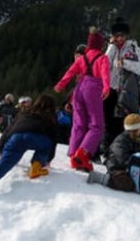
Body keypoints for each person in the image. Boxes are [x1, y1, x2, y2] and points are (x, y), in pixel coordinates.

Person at [0, 94, 59, 198]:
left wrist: (0, 148)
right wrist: (48, 159)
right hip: (37, 139)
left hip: (16, 138)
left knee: (2, 166)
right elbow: (53, 140)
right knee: (46, 144)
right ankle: (37, 166)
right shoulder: (50, 118)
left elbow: (8, 130)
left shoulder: (24, 113)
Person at [54, 26, 110, 172]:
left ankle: (73, 153)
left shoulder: (82, 57)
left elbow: (71, 71)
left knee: (79, 123)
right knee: (96, 125)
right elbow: (105, 74)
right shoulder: (102, 58)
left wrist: (60, 85)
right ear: (100, 45)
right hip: (93, 88)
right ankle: (82, 154)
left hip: (79, 89)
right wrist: (106, 88)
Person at [103, 17, 140, 155]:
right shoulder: (112, 48)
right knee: (108, 122)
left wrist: (126, 63)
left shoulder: (133, 47)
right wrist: (111, 47)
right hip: (110, 90)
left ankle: (120, 151)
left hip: (126, 92)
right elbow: (104, 64)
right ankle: (106, 150)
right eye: (116, 35)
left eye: (122, 35)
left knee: (123, 123)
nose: (120, 38)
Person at [88, 114, 140, 191]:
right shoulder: (121, 141)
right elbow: (121, 159)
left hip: (128, 169)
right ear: (135, 130)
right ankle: (100, 177)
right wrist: (135, 162)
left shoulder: (135, 140)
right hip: (116, 169)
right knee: (127, 183)